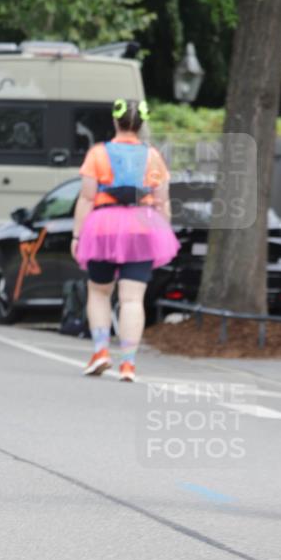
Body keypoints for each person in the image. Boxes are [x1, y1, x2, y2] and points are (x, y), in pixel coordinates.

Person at [71, 99, 179, 382]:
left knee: (99, 291)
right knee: (132, 299)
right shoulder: (153, 156)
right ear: (141, 124)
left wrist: (77, 235)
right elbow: (162, 202)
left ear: (115, 122)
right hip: (143, 227)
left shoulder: (98, 153)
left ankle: (101, 351)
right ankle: (128, 363)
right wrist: (162, 232)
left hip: (103, 227)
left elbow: (86, 197)